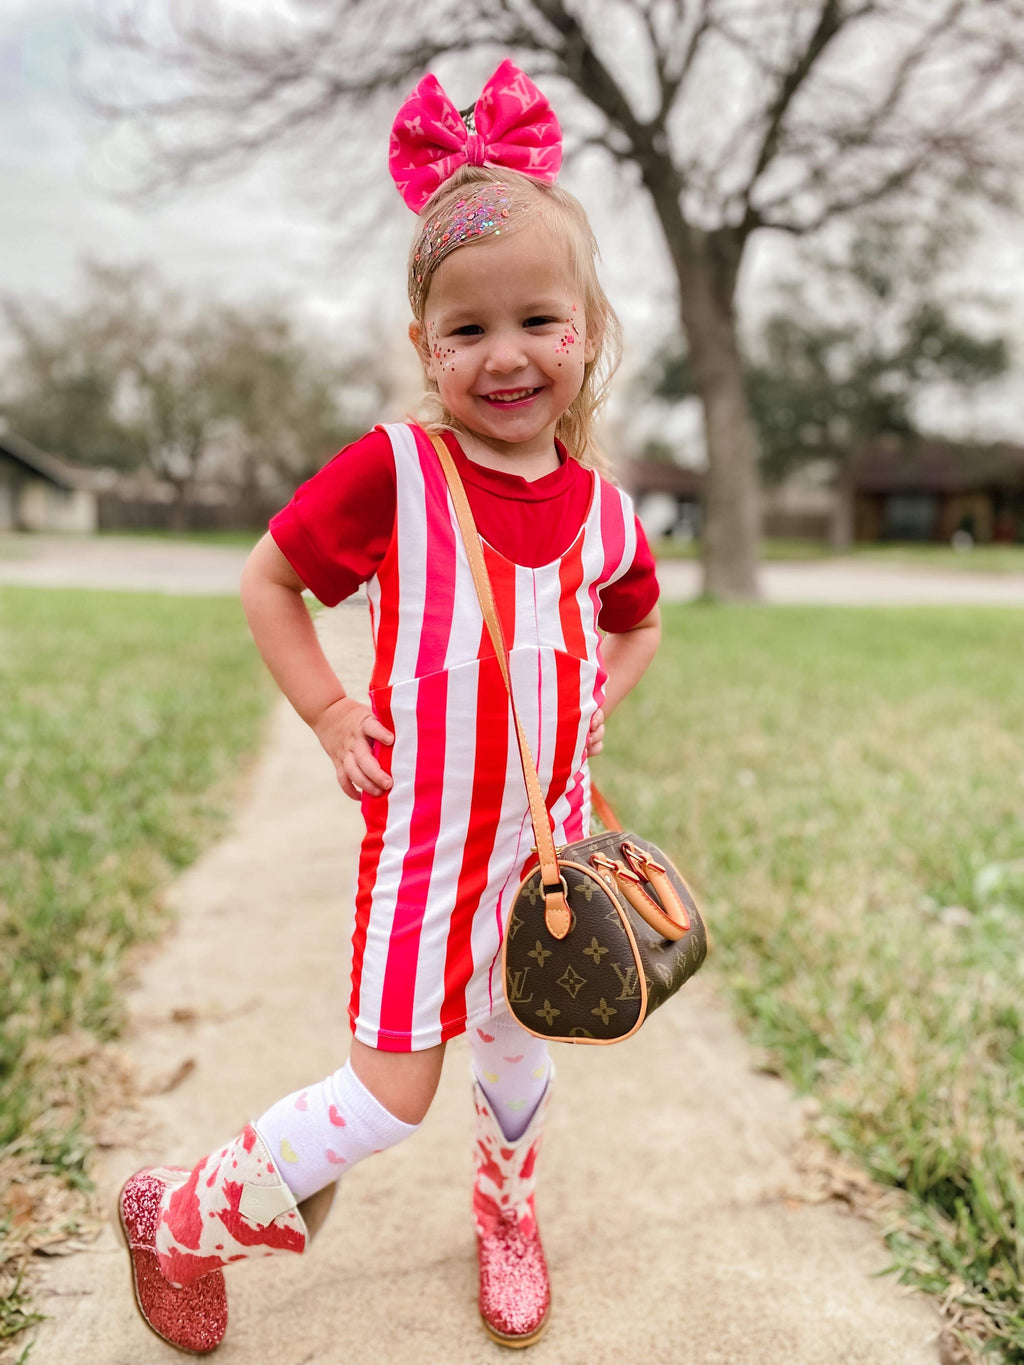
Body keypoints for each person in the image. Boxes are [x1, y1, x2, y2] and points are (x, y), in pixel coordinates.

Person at [118, 59, 661, 1354]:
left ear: (588, 328)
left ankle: (507, 1209)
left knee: (522, 1043)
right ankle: (182, 1211)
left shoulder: (606, 508)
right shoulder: (399, 473)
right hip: (423, 855)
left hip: (542, 848)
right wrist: (324, 709)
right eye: (466, 330)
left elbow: (635, 620)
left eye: (538, 318)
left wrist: (592, 712)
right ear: (425, 346)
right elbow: (270, 578)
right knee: (391, 1092)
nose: (506, 353)